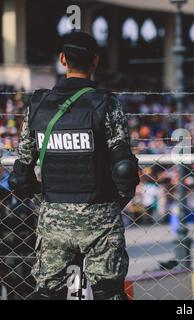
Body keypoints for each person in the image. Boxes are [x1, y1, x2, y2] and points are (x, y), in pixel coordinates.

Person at [8, 31, 139, 300]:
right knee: (109, 293)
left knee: (48, 293)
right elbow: (124, 169)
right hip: (100, 215)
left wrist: (43, 202)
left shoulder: (38, 105)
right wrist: (112, 205)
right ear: (95, 61)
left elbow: (21, 175)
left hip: (53, 218)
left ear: (62, 60)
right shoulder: (107, 103)